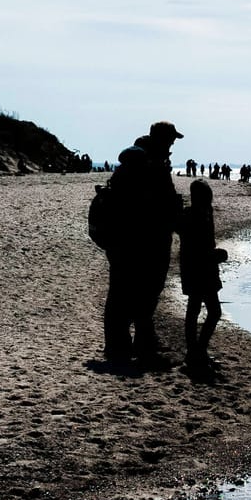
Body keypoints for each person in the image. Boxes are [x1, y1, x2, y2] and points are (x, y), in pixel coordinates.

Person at [102, 122, 185, 366]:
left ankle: (125, 344)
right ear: (161, 139)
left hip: (126, 240)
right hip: (144, 240)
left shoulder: (139, 162)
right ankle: (135, 346)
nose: (172, 144)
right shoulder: (149, 164)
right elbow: (153, 204)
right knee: (142, 291)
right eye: (171, 139)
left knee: (125, 290)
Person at [179, 179, 228, 374]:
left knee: (202, 311)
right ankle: (196, 352)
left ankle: (198, 351)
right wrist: (215, 255)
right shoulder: (190, 215)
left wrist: (215, 255)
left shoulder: (206, 213)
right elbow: (193, 246)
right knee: (206, 311)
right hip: (198, 269)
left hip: (204, 269)